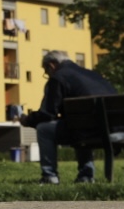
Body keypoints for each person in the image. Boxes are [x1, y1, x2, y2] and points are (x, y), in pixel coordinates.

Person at [18, 51, 118, 184]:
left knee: (44, 129)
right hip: (116, 129)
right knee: (80, 124)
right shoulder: (93, 74)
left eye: (46, 71)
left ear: (52, 65)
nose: (47, 75)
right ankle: (86, 176)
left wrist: (28, 120)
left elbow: (48, 113)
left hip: (90, 130)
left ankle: (50, 176)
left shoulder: (58, 78)